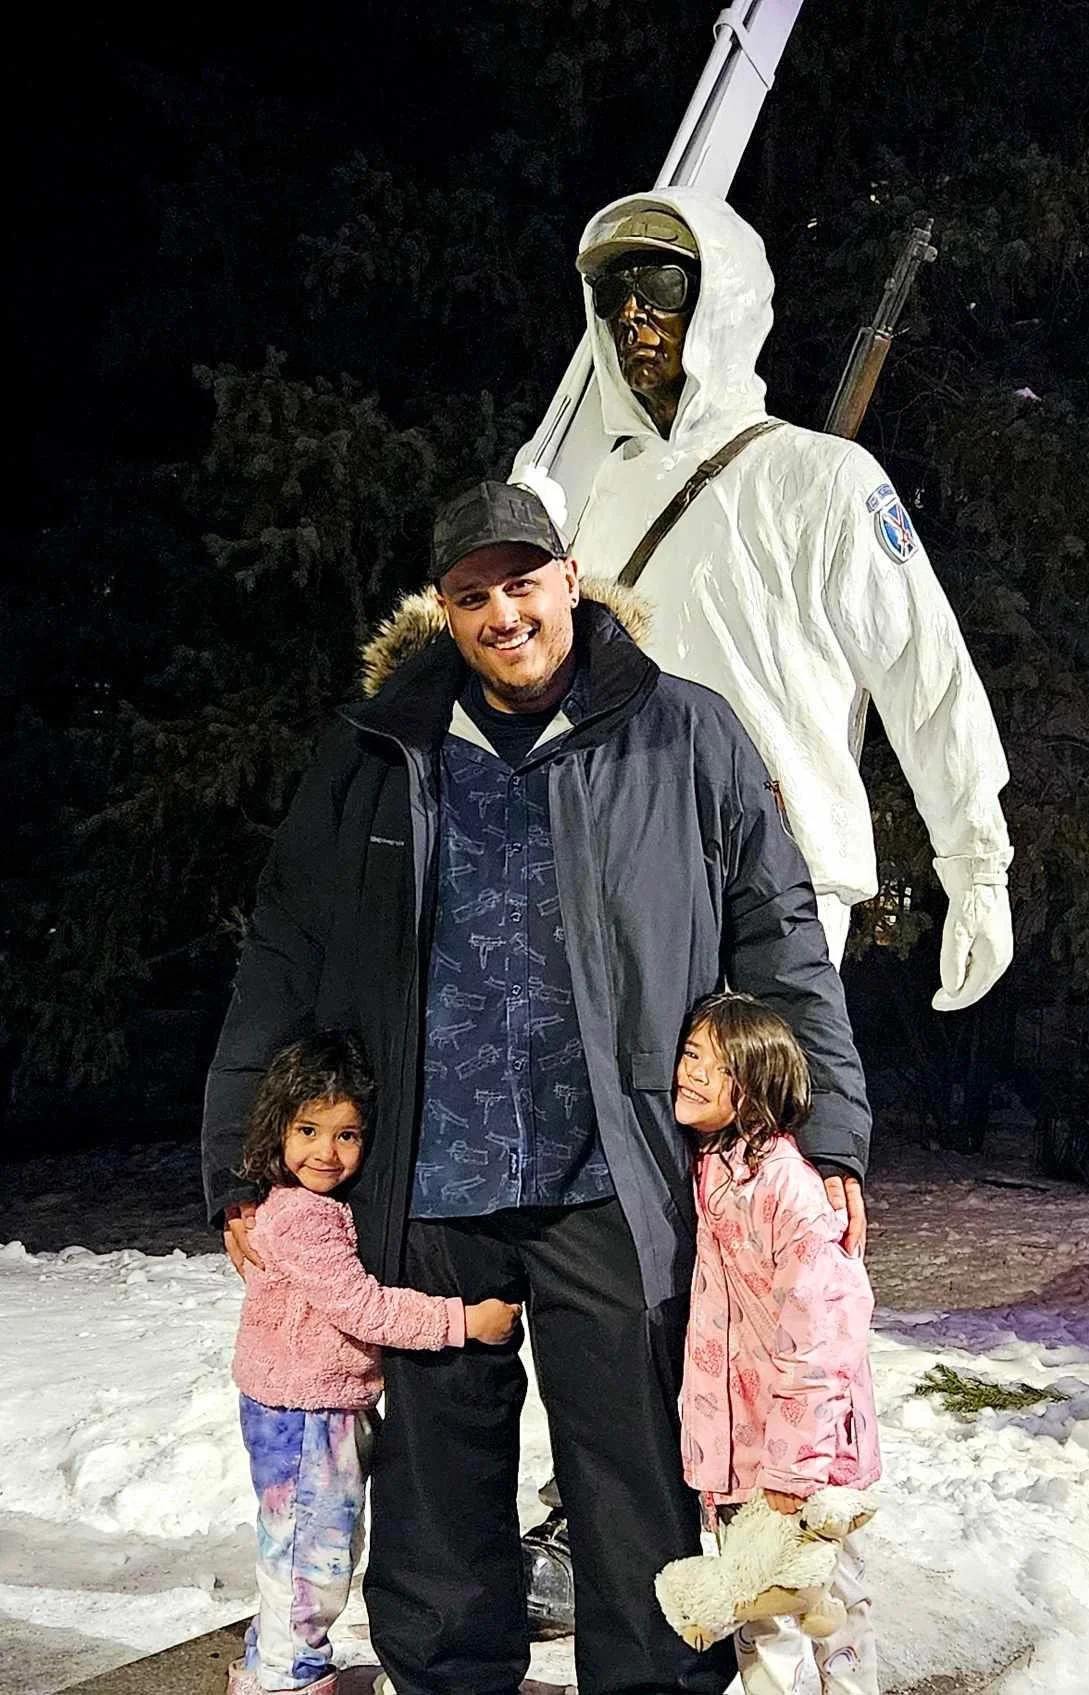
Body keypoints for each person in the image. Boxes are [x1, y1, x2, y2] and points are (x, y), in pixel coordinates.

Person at [202, 478, 872, 1695]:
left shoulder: (684, 732)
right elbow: (283, 951)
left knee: (630, 1465)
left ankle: (651, 1679)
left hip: (613, 1165)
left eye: (524, 583)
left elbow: (777, 934)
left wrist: (823, 1136)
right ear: (445, 610)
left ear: (569, 580)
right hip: (426, 1163)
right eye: (473, 594)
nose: (503, 613)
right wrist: (239, 1165)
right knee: (437, 1482)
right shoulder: (377, 747)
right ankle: (452, 1680)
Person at [514, 190, 1014, 1046]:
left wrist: (976, 865)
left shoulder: (825, 478)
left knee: (761, 1153)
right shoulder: (587, 502)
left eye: (662, 282)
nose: (633, 309)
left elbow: (926, 675)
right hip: (609, 872)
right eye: (612, 289)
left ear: (723, 299)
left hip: (777, 876)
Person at [225, 1030, 520, 1695]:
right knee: (312, 1555)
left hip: (307, 1404)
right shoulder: (301, 1218)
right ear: (279, 1127)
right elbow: (364, 1308)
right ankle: (286, 1679)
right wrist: (464, 1320)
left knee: (297, 1543)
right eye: (309, 1129)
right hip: (304, 1413)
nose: (326, 1152)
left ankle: (273, 1662)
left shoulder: (306, 1205)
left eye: (347, 1134)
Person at [675, 992, 881, 1695]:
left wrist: (795, 1471)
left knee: (833, 1610)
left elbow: (828, 1333)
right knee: (764, 1622)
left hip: (809, 1466)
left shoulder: (789, 1190)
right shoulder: (708, 1172)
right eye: (688, 1054)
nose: (688, 1072)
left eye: (711, 1062)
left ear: (756, 1084)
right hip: (739, 1459)